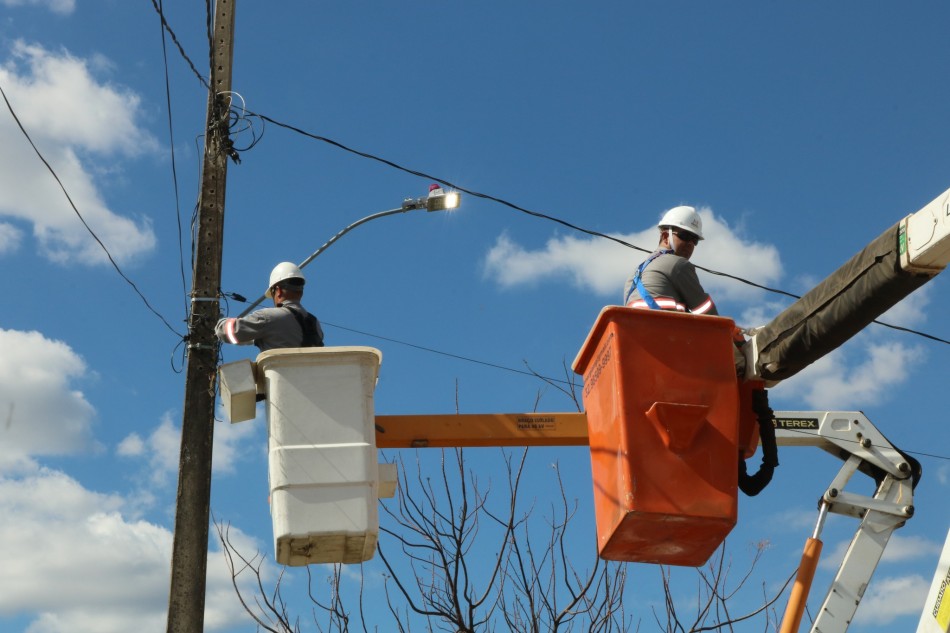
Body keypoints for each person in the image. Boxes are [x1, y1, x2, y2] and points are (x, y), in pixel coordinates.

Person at [623, 205, 717, 315]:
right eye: (685, 236)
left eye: (695, 240)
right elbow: (708, 314)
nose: (690, 244)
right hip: (663, 330)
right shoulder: (678, 264)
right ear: (665, 236)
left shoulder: (633, 275)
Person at [215, 262, 324, 352]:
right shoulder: (315, 324)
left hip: (280, 377)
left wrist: (217, 321)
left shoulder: (268, 317)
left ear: (278, 291)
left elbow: (228, 332)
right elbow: (280, 334)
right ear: (301, 292)